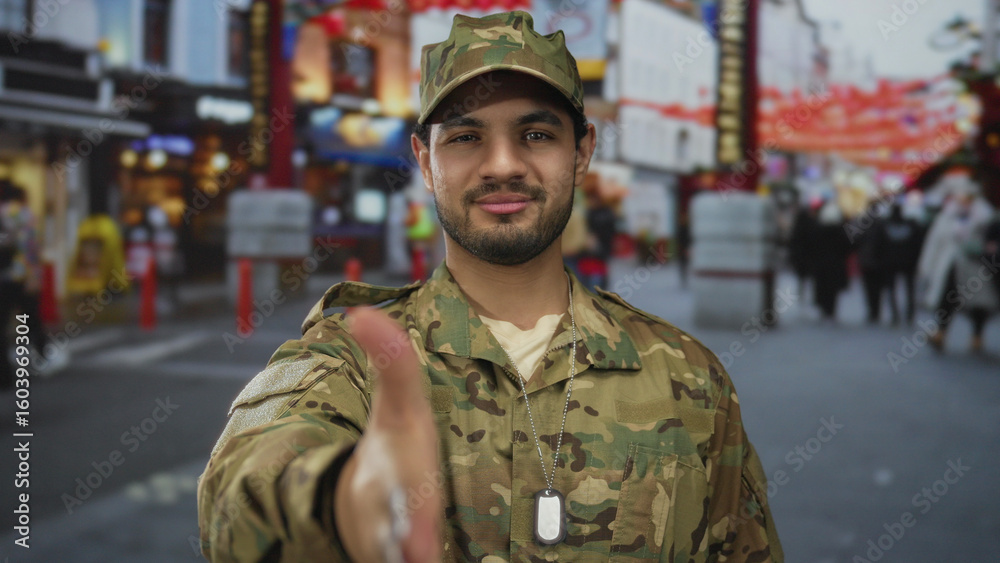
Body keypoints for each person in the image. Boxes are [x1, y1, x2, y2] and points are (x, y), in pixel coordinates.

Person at [197, 11, 782, 562]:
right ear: (426, 163)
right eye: (466, 137)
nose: (502, 164)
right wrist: (335, 500)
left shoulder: (689, 379)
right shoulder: (353, 357)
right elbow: (237, 492)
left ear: (581, 154)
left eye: (534, 135)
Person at [917, 178, 998, 352]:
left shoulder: (985, 217)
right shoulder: (947, 216)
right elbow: (934, 242)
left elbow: (990, 241)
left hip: (975, 265)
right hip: (950, 265)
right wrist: (927, 265)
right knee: (947, 298)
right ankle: (941, 332)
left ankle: (977, 336)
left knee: (980, 303)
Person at [881, 201, 925, 325]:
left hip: (891, 262)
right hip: (908, 262)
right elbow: (918, 245)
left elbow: (880, 245)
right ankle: (909, 315)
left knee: (892, 289)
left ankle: (896, 315)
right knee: (909, 289)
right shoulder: (912, 226)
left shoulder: (885, 226)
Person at [811, 200, 852, 321]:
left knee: (822, 288)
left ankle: (824, 309)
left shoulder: (817, 231)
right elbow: (848, 247)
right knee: (833, 290)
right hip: (835, 265)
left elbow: (811, 247)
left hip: (821, 265)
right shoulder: (841, 232)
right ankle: (830, 310)